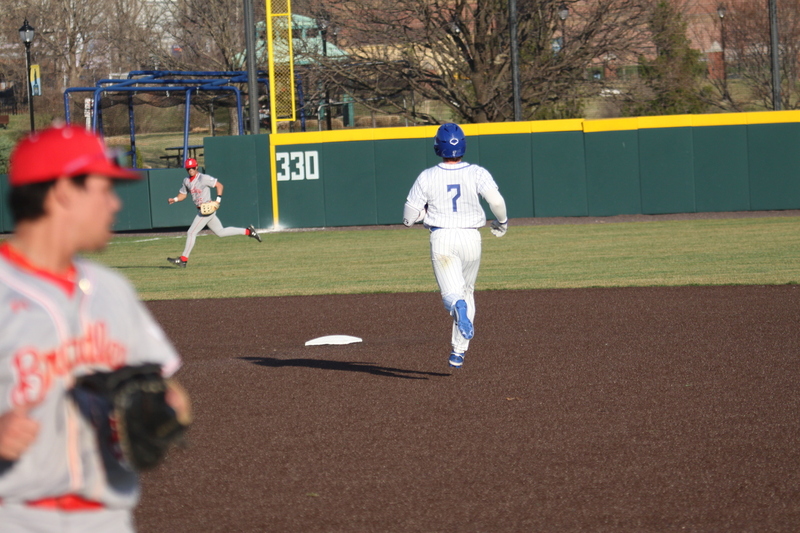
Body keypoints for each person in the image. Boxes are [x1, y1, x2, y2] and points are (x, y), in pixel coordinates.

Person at [0, 124, 191, 532]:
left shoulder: (111, 290)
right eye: (104, 190)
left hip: (109, 519)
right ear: (64, 191)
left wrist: (164, 409)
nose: (114, 205)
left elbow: (171, 394)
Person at [403, 123, 508, 368]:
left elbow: (408, 219)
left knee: (452, 296)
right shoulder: (477, 172)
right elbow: (496, 201)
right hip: (472, 238)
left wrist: (421, 214)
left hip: (442, 238)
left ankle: (457, 309)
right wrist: (502, 223)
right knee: (468, 291)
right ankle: (458, 352)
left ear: (437, 146)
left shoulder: (427, 176)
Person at [166, 158, 261, 267]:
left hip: (207, 210)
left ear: (197, 167)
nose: (191, 170)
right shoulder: (186, 181)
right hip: (202, 209)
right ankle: (249, 231)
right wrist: (175, 199)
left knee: (191, 232)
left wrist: (218, 200)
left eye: (193, 167)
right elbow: (183, 194)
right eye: (188, 168)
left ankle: (183, 259)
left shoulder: (203, 178)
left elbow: (219, 185)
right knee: (220, 232)